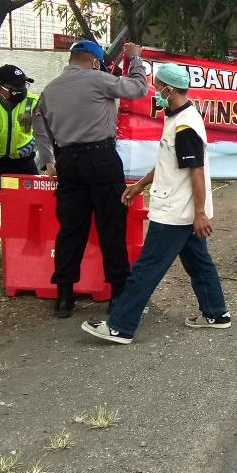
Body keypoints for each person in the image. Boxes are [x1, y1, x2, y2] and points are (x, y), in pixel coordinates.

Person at [81, 63, 230, 343]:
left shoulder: (185, 125)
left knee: (147, 268)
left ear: (169, 89)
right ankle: (216, 313)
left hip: (176, 211)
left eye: (157, 86)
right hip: (179, 207)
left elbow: (196, 170)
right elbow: (167, 163)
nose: (155, 91)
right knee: (199, 262)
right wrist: (139, 185)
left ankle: (120, 326)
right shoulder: (177, 117)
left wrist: (200, 212)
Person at [39, 39, 147, 317]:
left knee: (71, 230)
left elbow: (42, 127)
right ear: (95, 61)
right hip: (101, 158)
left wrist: (52, 158)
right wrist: (135, 60)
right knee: (111, 226)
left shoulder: (49, 90)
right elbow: (138, 89)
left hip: (68, 162)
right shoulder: (98, 80)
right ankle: (118, 294)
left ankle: (64, 297)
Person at [0, 64, 55, 287]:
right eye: (15, 87)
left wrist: (49, 162)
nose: (21, 89)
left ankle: (31, 261)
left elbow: (43, 136)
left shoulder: (33, 102)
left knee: (33, 212)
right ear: (0, 89)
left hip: (24, 163)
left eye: (23, 84)